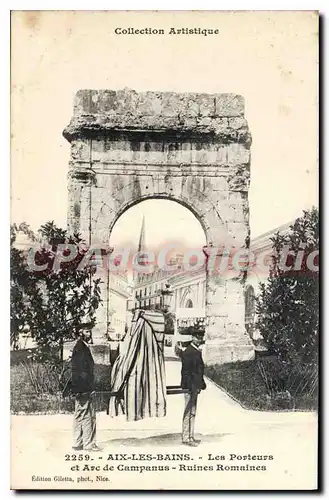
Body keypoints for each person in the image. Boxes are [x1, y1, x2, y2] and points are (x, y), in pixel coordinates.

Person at [71, 323, 100, 451]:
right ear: (80, 332)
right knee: (88, 415)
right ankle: (88, 444)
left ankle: (77, 443)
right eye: (87, 332)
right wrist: (88, 388)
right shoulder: (81, 347)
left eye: (90, 332)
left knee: (79, 414)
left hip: (79, 387)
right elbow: (82, 371)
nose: (89, 334)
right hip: (83, 387)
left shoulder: (79, 346)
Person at [180, 332, 206, 447]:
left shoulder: (195, 351)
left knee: (193, 412)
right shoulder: (189, 352)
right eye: (197, 337)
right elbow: (185, 372)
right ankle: (186, 438)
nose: (199, 340)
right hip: (190, 387)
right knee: (188, 412)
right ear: (192, 338)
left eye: (201, 338)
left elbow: (199, 371)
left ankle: (190, 436)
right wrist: (189, 387)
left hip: (194, 387)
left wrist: (201, 384)